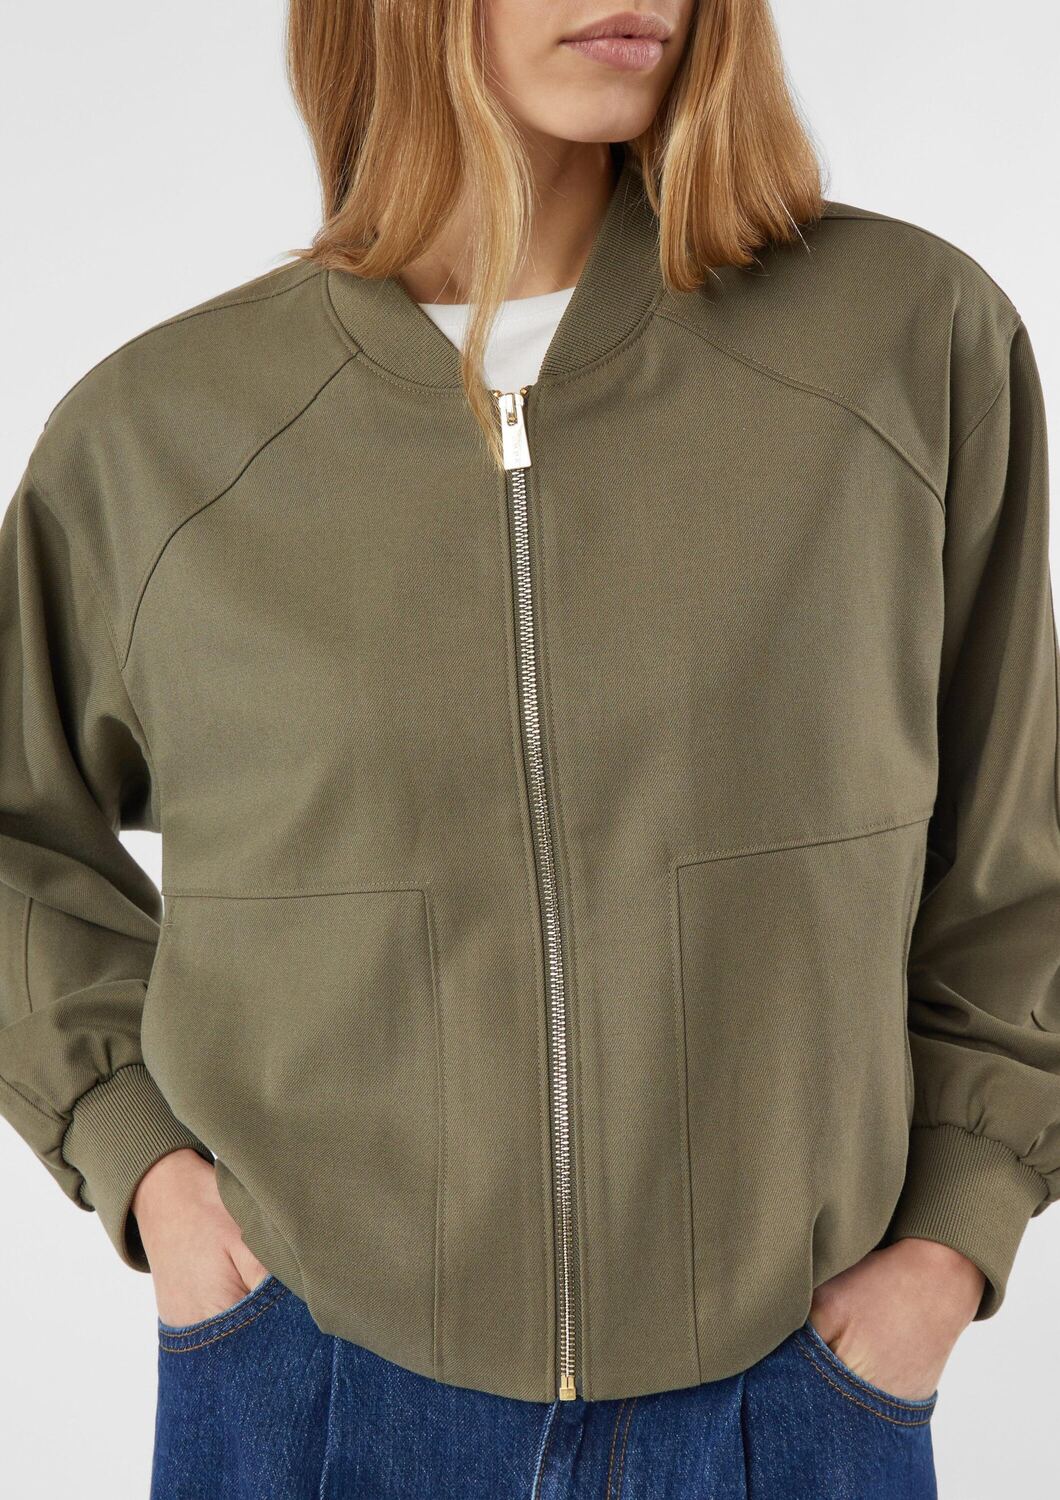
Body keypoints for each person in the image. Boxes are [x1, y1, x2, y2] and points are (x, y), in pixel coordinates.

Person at [2, 1, 1057, 1496]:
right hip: (311, 1384)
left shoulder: (903, 343)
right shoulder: (158, 438)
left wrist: (954, 1237)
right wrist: (148, 1168)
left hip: (794, 1394)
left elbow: (1022, 842)